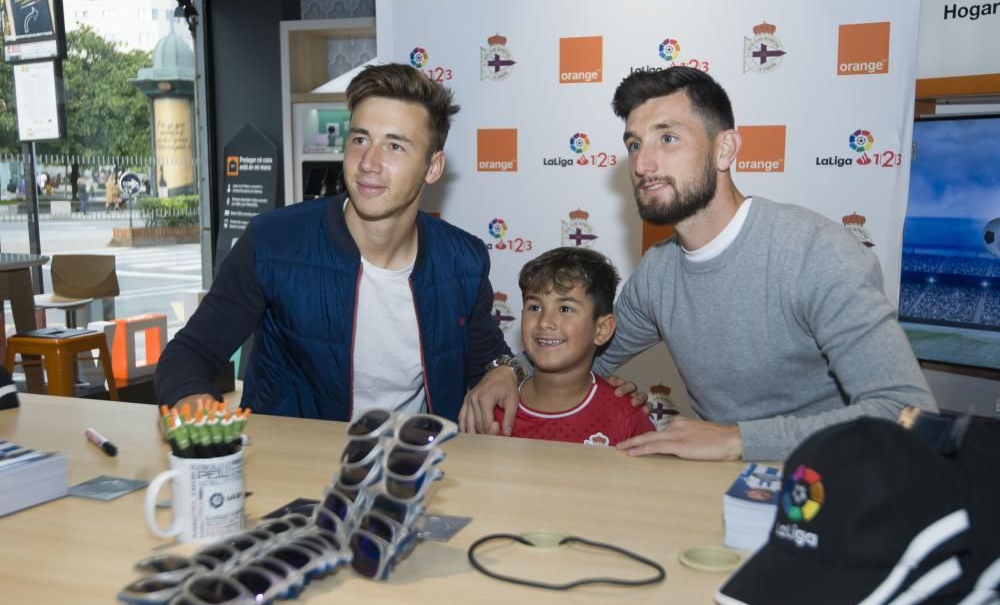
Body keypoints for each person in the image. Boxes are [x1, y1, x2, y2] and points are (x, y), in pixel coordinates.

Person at [461, 66, 937, 461]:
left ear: (725, 149)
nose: (643, 163)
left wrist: (737, 438)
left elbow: (908, 414)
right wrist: (509, 369)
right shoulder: (660, 272)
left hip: (836, 482)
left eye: (667, 138)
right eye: (633, 144)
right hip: (723, 486)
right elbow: (583, 347)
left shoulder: (814, 252)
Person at [155, 63, 512, 422]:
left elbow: (489, 358)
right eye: (360, 140)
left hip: (412, 466)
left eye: (395, 146)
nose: (369, 163)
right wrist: (191, 402)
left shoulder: (463, 260)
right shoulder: (273, 243)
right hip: (297, 464)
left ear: (433, 167)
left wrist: (505, 370)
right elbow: (189, 355)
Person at [494, 247, 654, 446]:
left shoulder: (625, 415)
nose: (545, 322)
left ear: (602, 330)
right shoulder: (494, 405)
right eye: (535, 307)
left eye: (565, 309)